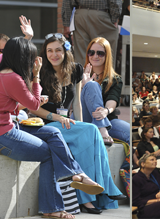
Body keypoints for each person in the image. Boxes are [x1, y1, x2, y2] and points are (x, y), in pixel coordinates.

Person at [0, 37, 104, 218]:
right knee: (47, 152)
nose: (33, 62)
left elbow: (5, 105)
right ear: (23, 57)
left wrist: (32, 97)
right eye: (31, 57)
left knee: (53, 132)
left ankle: (76, 174)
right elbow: (34, 104)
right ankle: (53, 206)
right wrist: (36, 77)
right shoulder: (12, 77)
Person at [31, 33, 125, 213]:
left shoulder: (75, 70)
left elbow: (76, 104)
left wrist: (81, 127)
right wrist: (57, 117)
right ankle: (105, 189)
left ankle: (88, 198)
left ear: (66, 51)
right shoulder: (40, 71)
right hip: (46, 123)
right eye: (50, 51)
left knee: (90, 133)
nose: (54, 55)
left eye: (58, 50)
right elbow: (32, 108)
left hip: (68, 123)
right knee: (90, 132)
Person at [77, 37, 129, 144]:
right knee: (91, 84)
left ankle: (125, 161)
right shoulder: (79, 74)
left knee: (129, 133)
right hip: (83, 118)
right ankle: (102, 129)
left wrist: (106, 111)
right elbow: (71, 104)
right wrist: (82, 86)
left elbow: (113, 99)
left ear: (107, 56)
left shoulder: (115, 79)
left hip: (108, 119)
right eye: (91, 52)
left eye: (100, 53)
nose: (95, 56)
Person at [62, 0, 122, 66]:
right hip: (101, 16)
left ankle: (84, 77)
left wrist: (66, 24)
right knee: (104, 56)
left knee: (82, 57)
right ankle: (103, 77)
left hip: (80, 14)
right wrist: (115, 17)